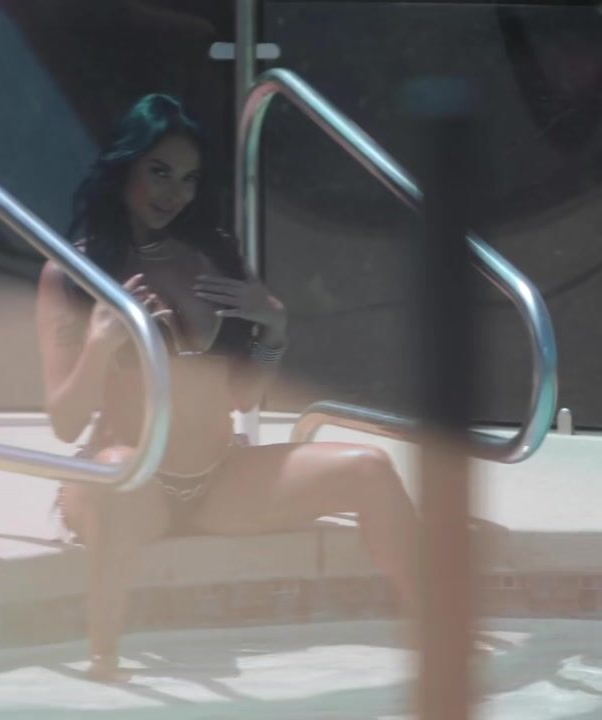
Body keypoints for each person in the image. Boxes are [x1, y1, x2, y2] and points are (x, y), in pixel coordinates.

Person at [35, 93, 418, 683]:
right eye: (159, 171)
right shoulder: (71, 272)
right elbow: (64, 421)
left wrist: (274, 330)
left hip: (217, 479)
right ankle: (103, 662)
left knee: (370, 468)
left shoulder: (212, 257)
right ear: (125, 165)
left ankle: (441, 629)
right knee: (116, 479)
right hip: (127, 482)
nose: (175, 192)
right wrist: (99, 344)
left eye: (189, 178)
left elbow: (242, 397)